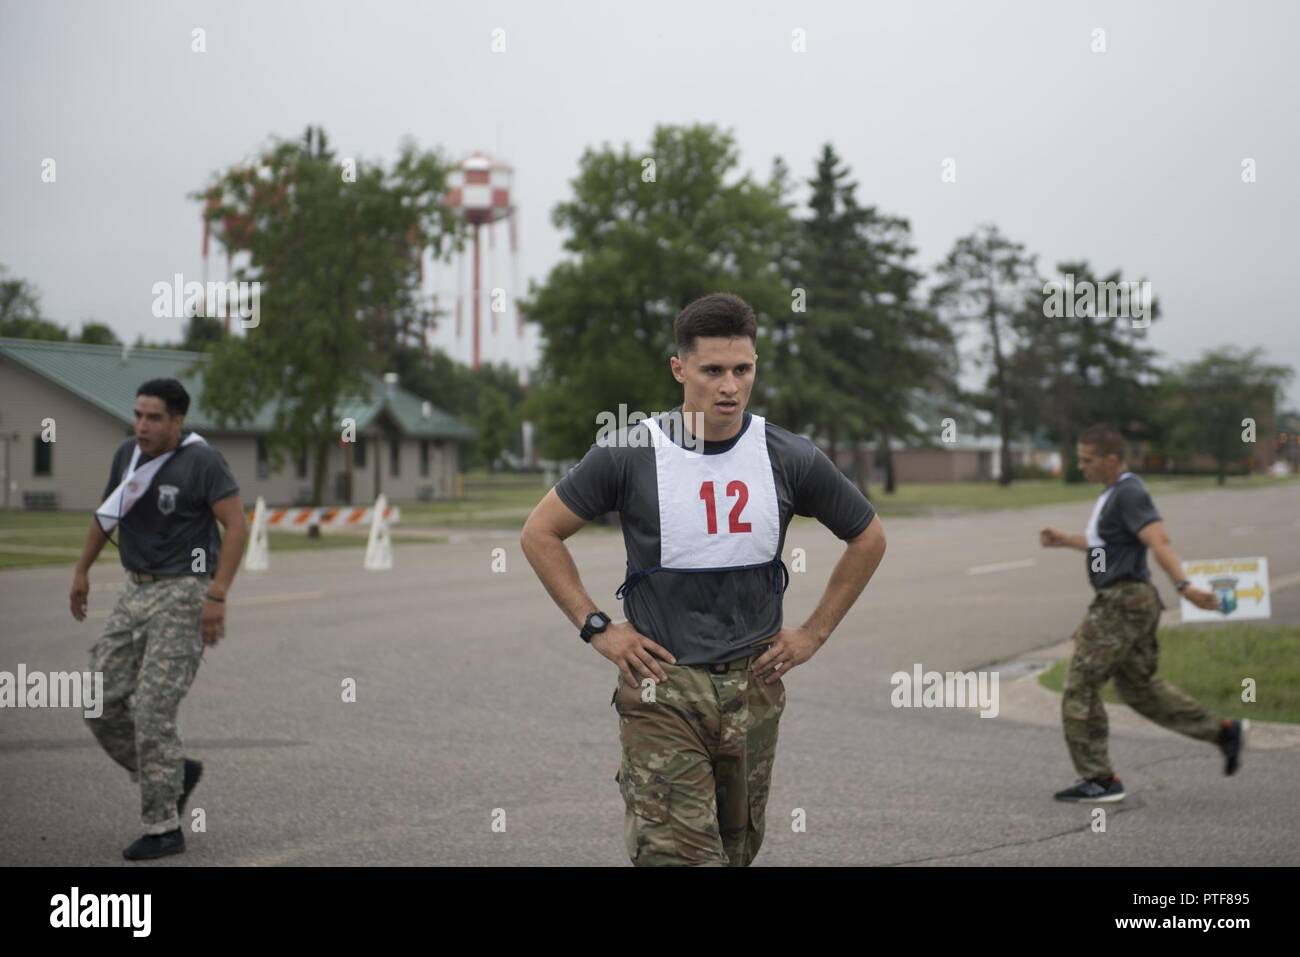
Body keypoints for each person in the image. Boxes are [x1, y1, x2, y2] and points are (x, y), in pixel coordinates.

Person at [520, 293, 887, 866]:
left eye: (743, 370)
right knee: (681, 859)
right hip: (663, 688)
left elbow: (868, 537)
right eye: (712, 370)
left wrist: (813, 634)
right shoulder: (629, 451)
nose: (729, 387)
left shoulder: (789, 455)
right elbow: (540, 533)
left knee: (736, 852)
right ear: (679, 369)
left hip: (755, 688)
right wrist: (597, 627)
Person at [69, 377, 247, 859]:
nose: (142, 426)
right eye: (138, 415)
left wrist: (218, 594)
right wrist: (82, 570)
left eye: (153, 418)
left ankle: (163, 827)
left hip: (184, 592)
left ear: (177, 420)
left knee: (152, 708)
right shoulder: (127, 455)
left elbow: (236, 526)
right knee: (97, 701)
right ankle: (174, 774)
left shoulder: (202, 461)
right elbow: (107, 516)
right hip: (135, 589)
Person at [1039, 424, 1247, 803]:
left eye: (1088, 461)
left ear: (1112, 459)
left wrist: (1185, 586)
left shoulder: (1130, 492)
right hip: (1128, 600)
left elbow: (1158, 539)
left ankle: (1099, 778)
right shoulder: (1112, 494)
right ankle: (1223, 731)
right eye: (1080, 460)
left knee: (1080, 686)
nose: (1081, 467)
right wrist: (1066, 540)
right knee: (1138, 688)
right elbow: (1104, 544)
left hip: (1122, 602)